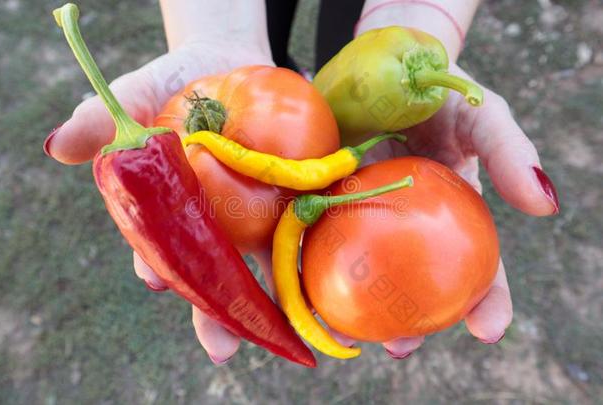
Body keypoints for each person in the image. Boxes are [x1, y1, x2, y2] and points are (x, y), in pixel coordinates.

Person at [43, 0, 560, 364]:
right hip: (270, 96)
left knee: (347, 39)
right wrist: (215, 37)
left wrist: (411, 24)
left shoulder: (199, 136)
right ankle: (298, 74)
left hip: (289, 103)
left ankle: (327, 73)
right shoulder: (205, 136)